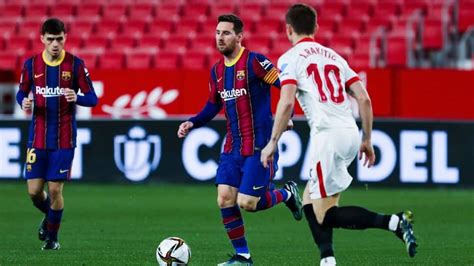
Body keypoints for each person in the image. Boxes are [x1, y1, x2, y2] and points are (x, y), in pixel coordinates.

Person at [260, 4, 417, 266]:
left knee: (325, 214)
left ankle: (395, 222)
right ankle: (327, 259)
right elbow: (364, 99)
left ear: (288, 30)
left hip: (327, 138)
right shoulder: (334, 57)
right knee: (311, 199)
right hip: (350, 133)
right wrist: (367, 139)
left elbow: (286, 103)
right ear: (316, 28)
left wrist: (272, 143)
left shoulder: (290, 58)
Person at [177, 14, 302, 266]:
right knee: (224, 198)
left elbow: (284, 85)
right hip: (233, 147)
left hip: (260, 147)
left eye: (226, 33)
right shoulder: (217, 71)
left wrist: (288, 115)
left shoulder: (256, 63)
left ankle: (287, 195)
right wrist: (193, 122)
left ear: (239, 36)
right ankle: (243, 257)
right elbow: (213, 104)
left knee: (249, 203)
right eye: (217, 33)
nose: (220, 38)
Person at [16, 18, 98, 250]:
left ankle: (52, 239)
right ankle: (52, 217)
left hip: (64, 139)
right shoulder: (31, 65)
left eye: (59, 39)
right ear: (42, 38)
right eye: (50, 39)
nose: (55, 44)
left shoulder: (75, 65)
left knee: (54, 189)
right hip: (37, 138)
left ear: (65, 38)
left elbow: (93, 98)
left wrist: (78, 98)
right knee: (33, 192)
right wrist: (25, 102)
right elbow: (21, 93)